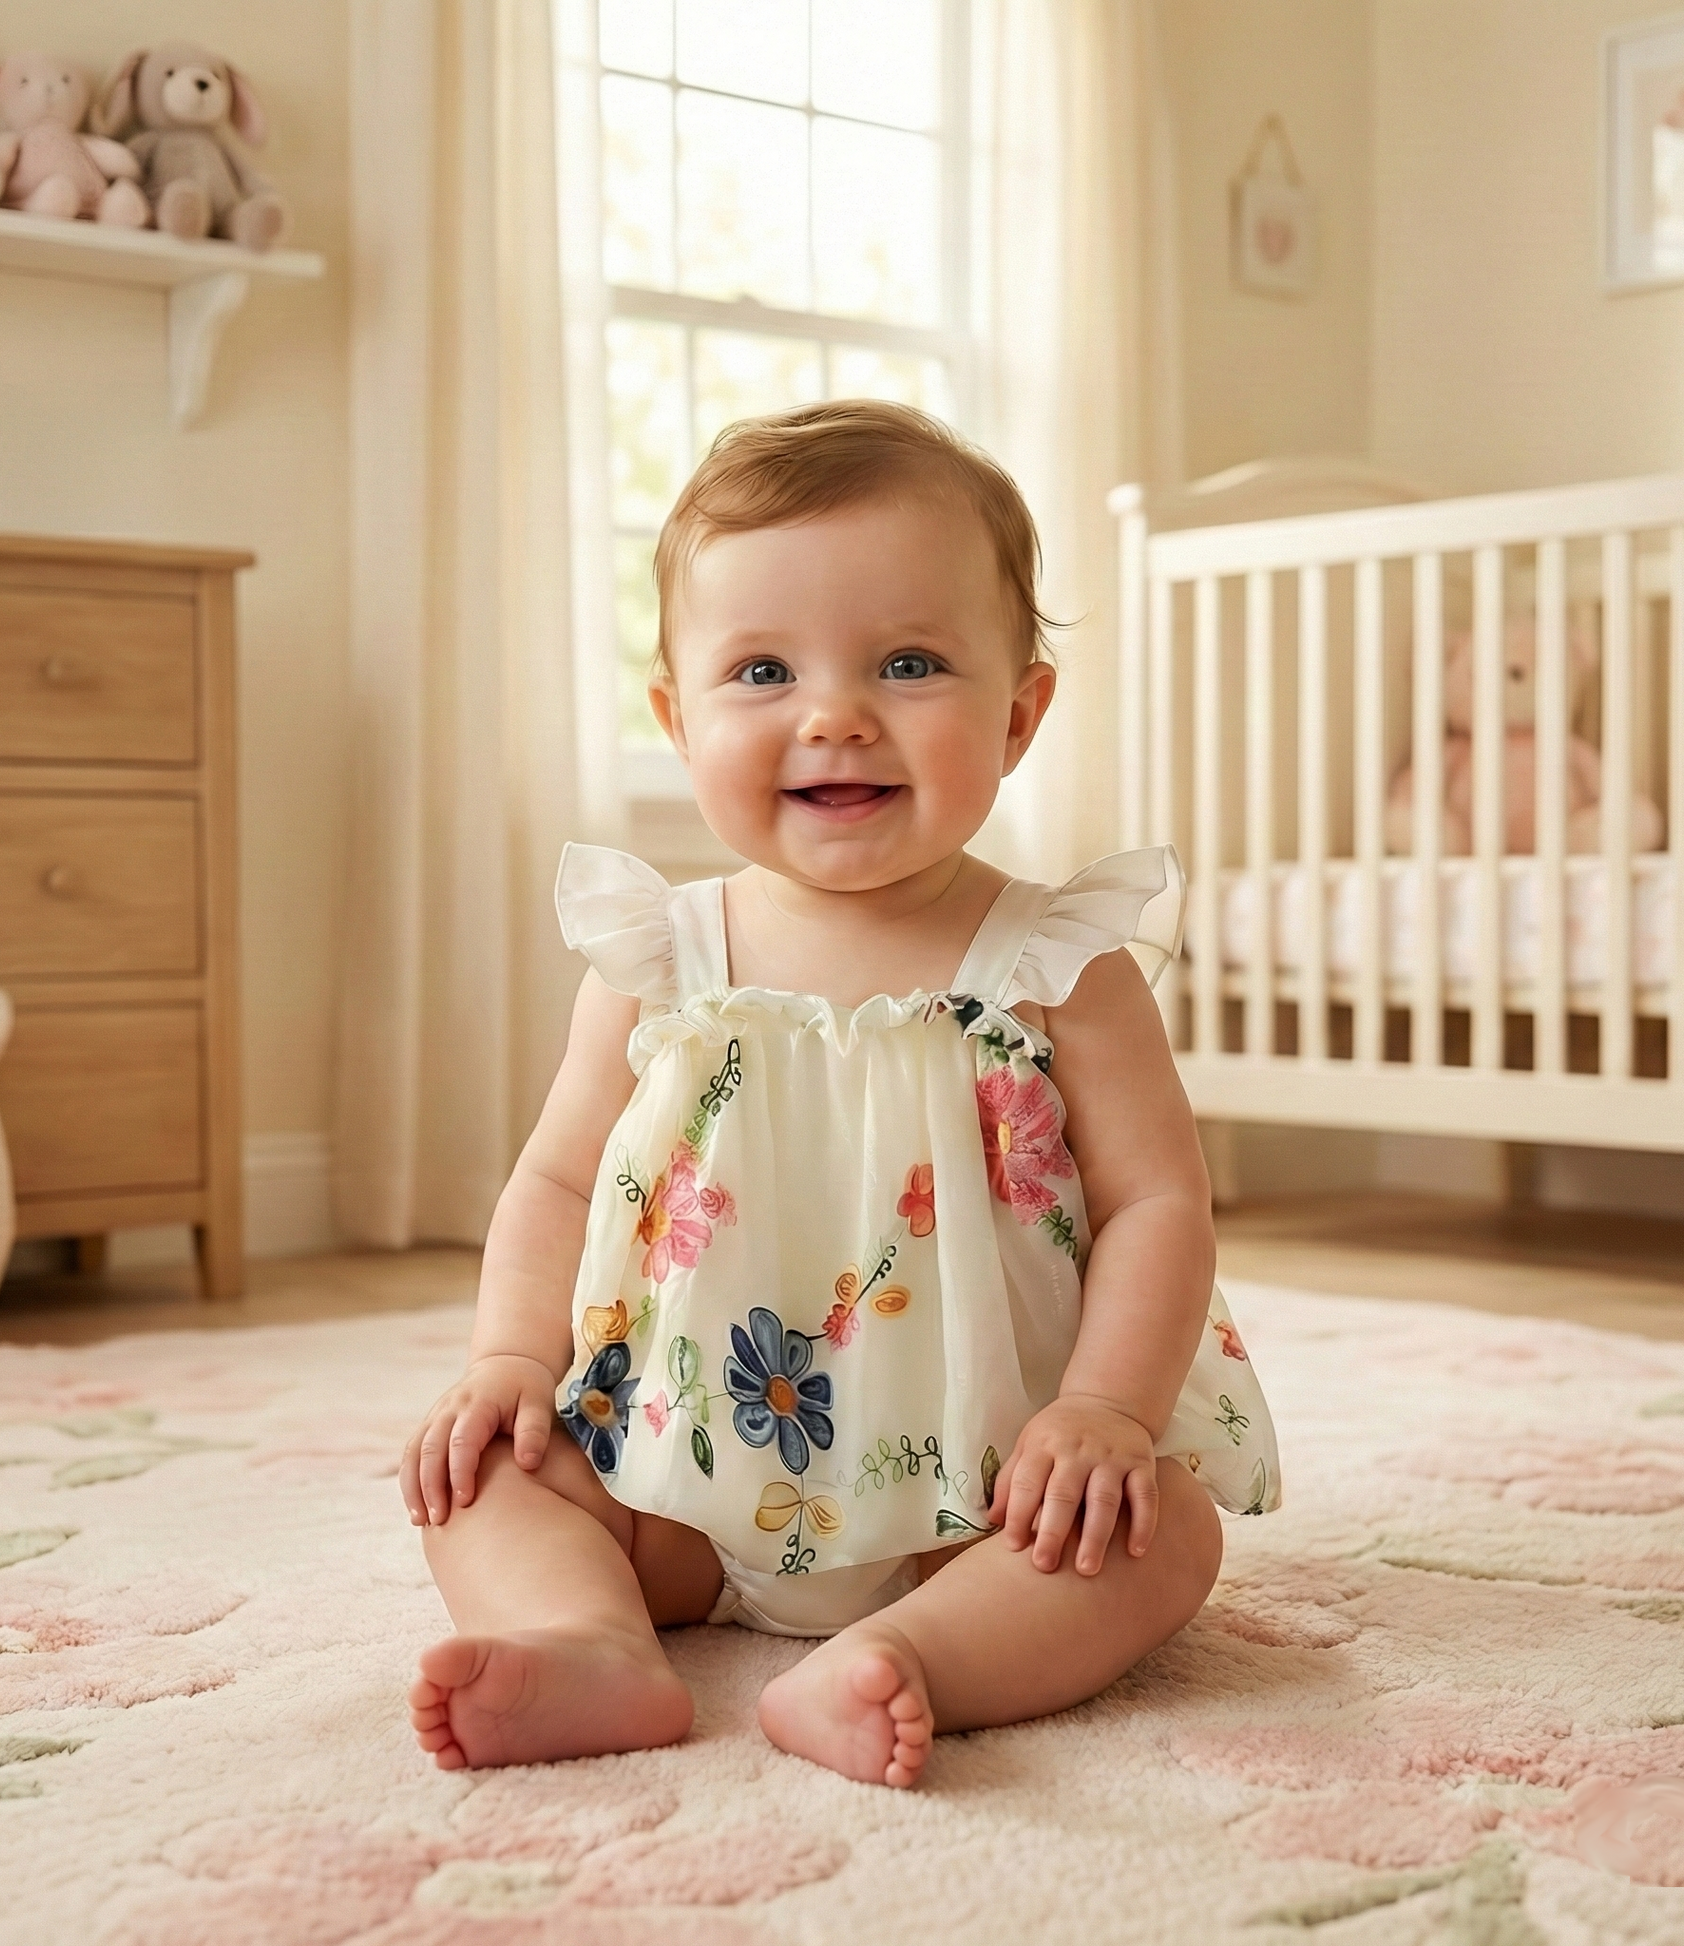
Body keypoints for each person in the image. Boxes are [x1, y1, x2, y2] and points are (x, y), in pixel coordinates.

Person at [402, 401, 1279, 1789]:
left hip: (987, 1494)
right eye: (760, 669)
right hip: (674, 1482)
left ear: (1018, 711)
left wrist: (1106, 1406)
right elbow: (558, 1180)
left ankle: (918, 1655)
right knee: (477, 1477)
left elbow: (1157, 1198)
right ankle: (587, 1637)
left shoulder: (1055, 963)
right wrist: (509, 1362)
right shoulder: (655, 958)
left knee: (1164, 1534)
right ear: (674, 718)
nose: (833, 713)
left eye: (910, 661)